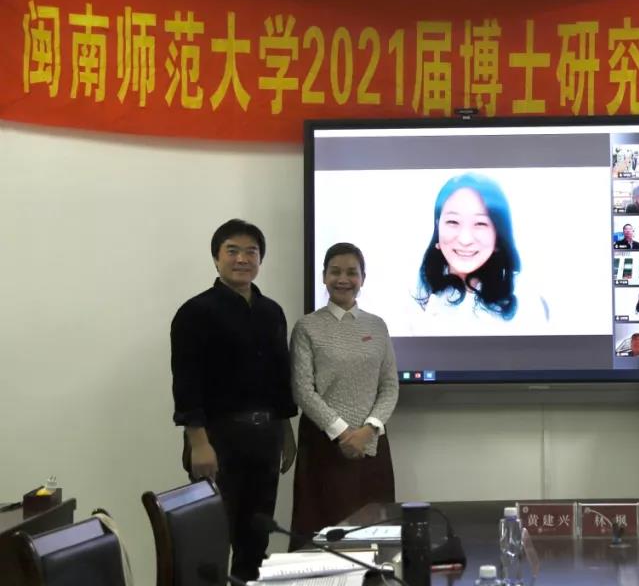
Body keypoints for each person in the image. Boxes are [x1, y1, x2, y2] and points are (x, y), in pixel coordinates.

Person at [170, 219, 297, 582]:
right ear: (216, 258)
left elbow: (279, 379)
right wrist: (198, 444)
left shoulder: (271, 311)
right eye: (232, 251)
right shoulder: (195, 312)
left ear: (260, 260)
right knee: (212, 540)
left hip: (265, 439)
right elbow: (186, 383)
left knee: (255, 539)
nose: (242, 259)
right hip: (217, 439)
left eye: (251, 252)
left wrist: (286, 433)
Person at [290, 243, 399, 548]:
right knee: (321, 533)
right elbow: (302, 389)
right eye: (335, 271)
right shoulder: (307, 327)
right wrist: (342, 432)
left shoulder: (377, 326)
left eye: (352, 272)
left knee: (374, 534)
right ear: (324, 276)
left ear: (362, 278)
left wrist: (368, 430)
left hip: (371, 444)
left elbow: (390, 386)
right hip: (323, 445)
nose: (343, 279)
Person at [413, 172, 548, 326]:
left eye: (480, 223)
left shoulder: (526, 301)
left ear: (498, 234)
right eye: (453, 221)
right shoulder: (413, 296)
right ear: (438, 227)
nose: (465, 239)